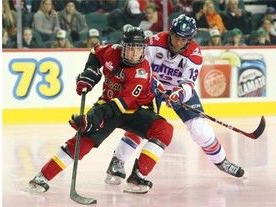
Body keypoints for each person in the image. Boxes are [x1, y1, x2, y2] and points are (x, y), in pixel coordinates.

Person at [27, 26, 174, 194]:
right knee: (82, 141)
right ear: (122, 47)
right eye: (130, 48)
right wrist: (90, 71)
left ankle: (137, 175)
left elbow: (120, 105)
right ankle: (42, 177)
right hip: (108, 103)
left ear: (143, 49)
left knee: (164, 130)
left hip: (133, 110)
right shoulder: (111, 51)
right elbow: (95, 52)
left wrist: (94, 117)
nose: (134, 53)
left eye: (138, 48)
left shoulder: (141, 72)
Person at [104, 14, 245, 186]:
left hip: (178, 90)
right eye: (176, 37)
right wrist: (153, 84)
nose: (178, 43)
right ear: (170, 33)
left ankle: (222, 161)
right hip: (150, 86)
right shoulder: (153, 42)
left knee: (200, 129)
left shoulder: (194, 54)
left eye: (183, 40)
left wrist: (178, 93)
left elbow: (188, 83)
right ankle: (117, 161)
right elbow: (140, 67)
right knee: (141, 124)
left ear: (190, 40)